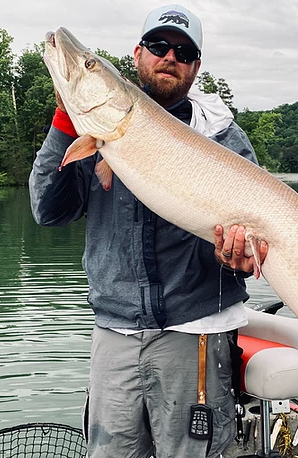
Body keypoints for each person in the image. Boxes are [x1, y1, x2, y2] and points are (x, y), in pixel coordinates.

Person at [29, 4, 267, 458]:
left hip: (194, 331)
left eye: (183, 51)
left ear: (196, 67)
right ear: (137, 53)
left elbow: (251, 244)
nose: (169, 56)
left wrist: (235, 255)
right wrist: (64, 120)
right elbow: (49, 211)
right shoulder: (92, 128)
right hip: (114, 332)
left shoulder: (223, 138)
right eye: (159, 46)